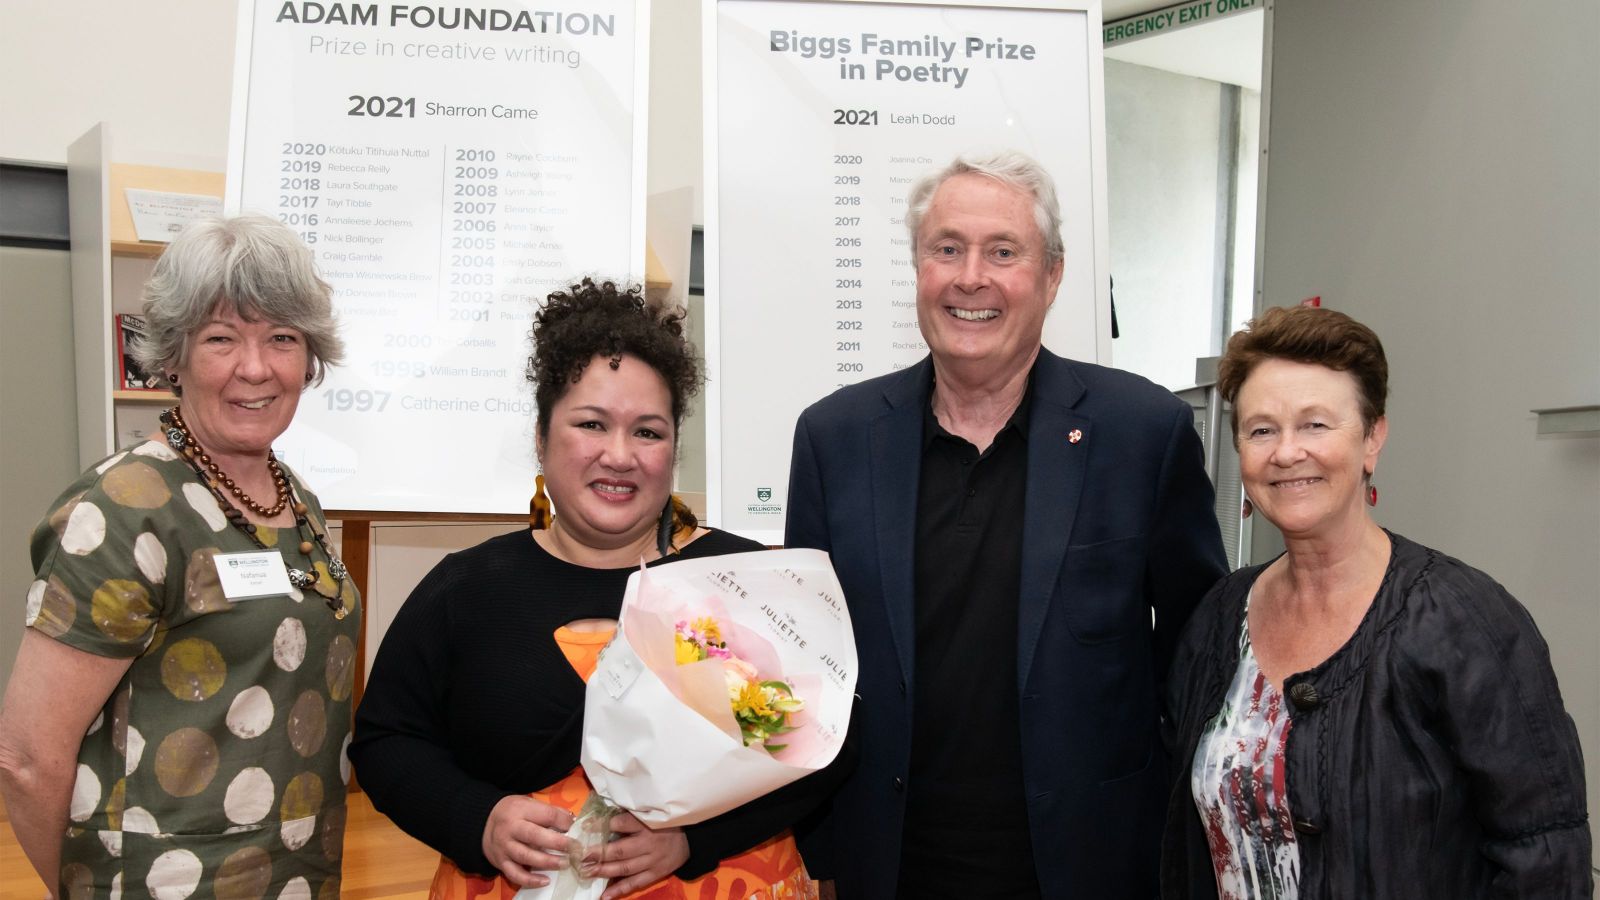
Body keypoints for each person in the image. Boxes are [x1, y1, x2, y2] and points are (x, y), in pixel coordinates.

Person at [784, 150, 1228, 898]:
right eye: (946, 249)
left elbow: (1197, 648)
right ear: (918, 267)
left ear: (1051, 276)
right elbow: (804, 655)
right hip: (887, 865)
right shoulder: (836, 438)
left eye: (1003, 252)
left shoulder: (1141, 433)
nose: (970, 278)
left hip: (1088, 864)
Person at [351, 279, 836, 900]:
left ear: (673, 450)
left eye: (648, 432)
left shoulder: (734, 583)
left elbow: (815, 748)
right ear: (540, 436)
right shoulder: (468, 591)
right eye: (591, 424)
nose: (619, 455)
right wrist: (480, 818)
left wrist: (695, 840)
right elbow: (388, 744)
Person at [1160, 305, 1592, 899]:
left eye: (1315, 425)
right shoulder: (1217, 617)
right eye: (1262, 430)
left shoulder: (1463, 620)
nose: (1287, 453)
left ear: (1372, 437)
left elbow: (1544, 853)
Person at [0, 215, 358, 897]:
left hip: (296, 872)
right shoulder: (121, 508)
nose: (255, 368)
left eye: (281, 338)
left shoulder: (298, 499)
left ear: (308, 358)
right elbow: (23, 758)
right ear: (175, 356)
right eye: (221, 339)